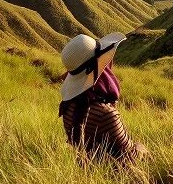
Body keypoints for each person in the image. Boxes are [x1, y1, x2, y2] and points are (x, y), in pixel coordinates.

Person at [58, 32, 147, 163]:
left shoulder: (69, 105)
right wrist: (141, 147)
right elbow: (131, 156)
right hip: (114, 174)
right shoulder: (104, 114)